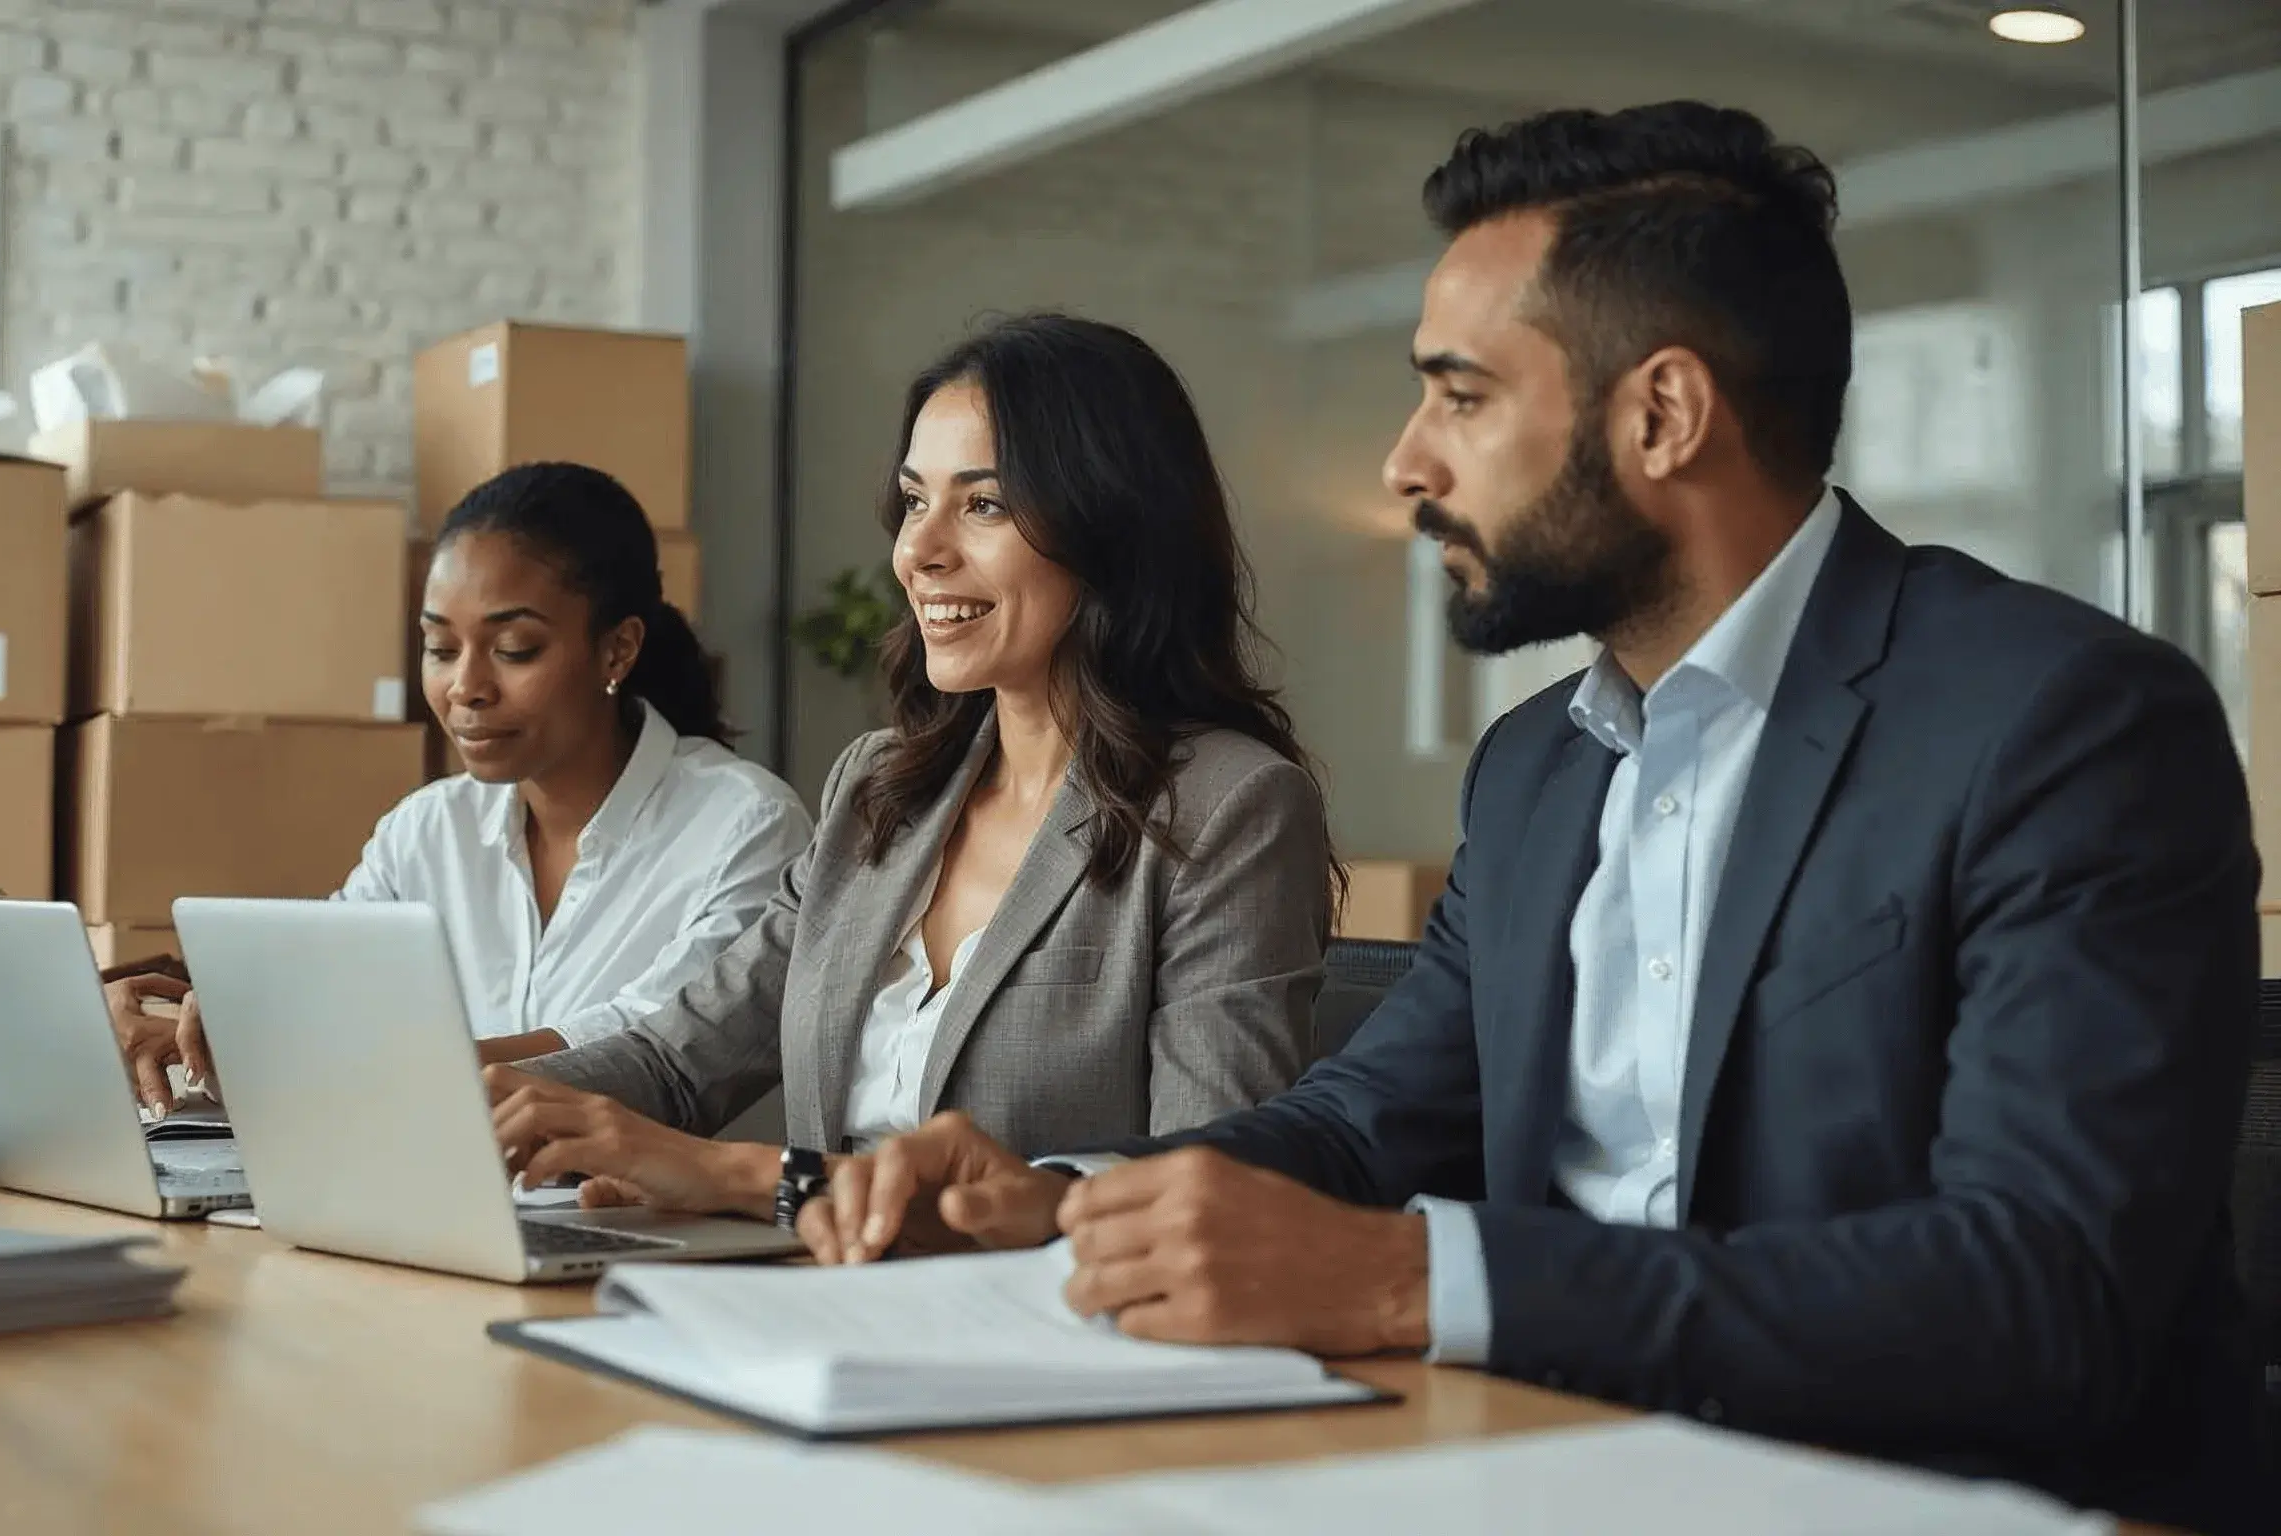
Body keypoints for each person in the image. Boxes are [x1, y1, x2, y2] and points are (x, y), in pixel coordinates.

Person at [803, 104, 2267, 1530]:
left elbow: (2046, 1290)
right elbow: (1368, 1127)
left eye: (1461, 393)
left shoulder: (2062, 721)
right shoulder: (1535, 769)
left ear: (1662, 415)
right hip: (1527, 1466)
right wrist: (1067, 1200)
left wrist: (1414, 1284)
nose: (1405, 463)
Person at [486, 313, 1337, 1218]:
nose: (918, 552)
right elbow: (675, 1059)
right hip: (819, 1305)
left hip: (1033, 1335)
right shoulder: (882, 786)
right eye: (913, 501)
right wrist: (459, 1099)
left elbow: (1193, 1196)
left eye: (983, 504)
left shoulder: (1230, 807)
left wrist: (754, 1182)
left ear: (1110, 531)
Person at [107, 462, 813, 1112]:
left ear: (618, 648)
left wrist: (357, 1062)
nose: (465, 688)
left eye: (514, 651)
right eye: (440, 649)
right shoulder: (425, 830)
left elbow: (652, 1043)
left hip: (658, 1224)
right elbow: (323, 978)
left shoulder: (744, 825)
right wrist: (217, 1019)